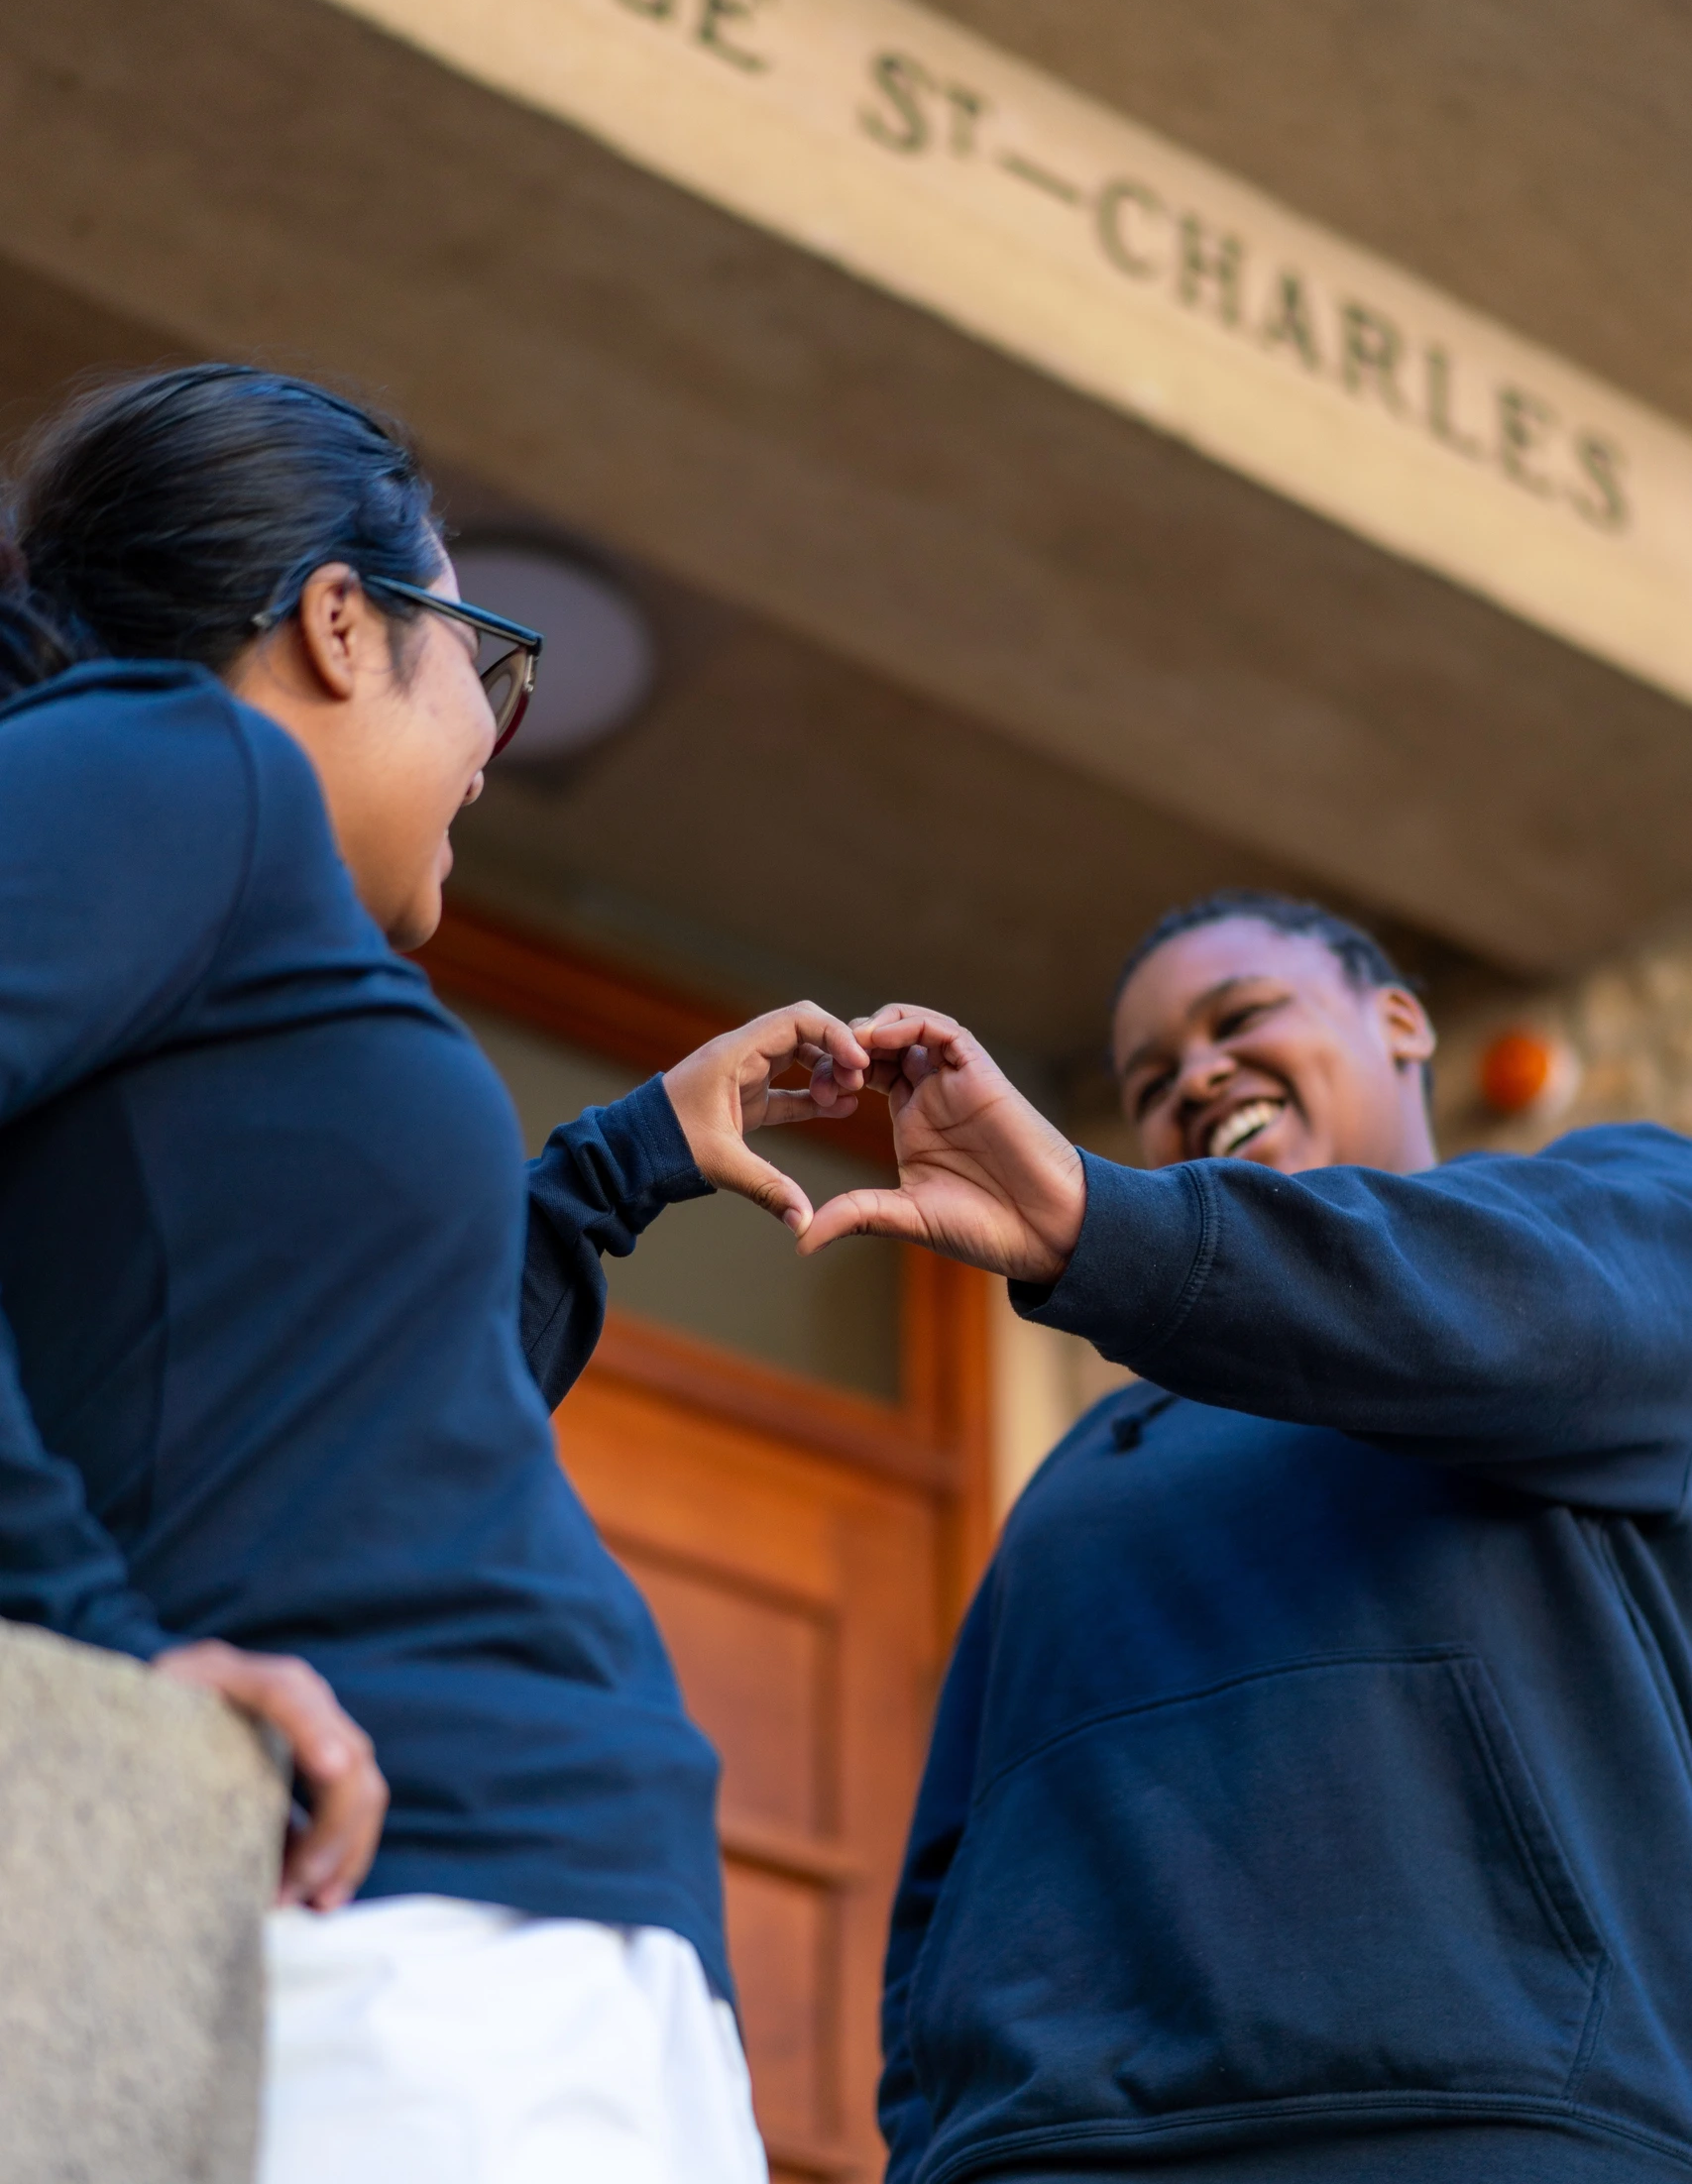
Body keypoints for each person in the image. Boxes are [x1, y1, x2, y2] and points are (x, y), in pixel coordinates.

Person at [0, 364, 874, 2184]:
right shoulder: (179, 759)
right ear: (339, 622)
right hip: (398, 1909)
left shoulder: (210, 908)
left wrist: (622, 1166)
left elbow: (354, 1394)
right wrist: (98, 1649)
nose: (491, 732)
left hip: (552, 1933)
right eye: (477, 657)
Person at [799, 891, 1692, 2183]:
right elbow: (951, 1885)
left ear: (1397, 1021)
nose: (1195, 1077)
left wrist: (1100, 1231)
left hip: (1481, 2125)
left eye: (1239, 1018)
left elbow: (1510, 1317)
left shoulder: (1610, 1213)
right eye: (1150, 1077)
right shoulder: (1078, 1470)